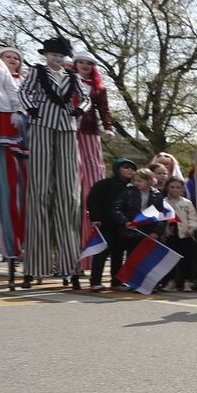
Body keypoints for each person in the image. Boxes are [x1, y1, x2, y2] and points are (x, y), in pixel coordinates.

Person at [18, 37, 87, 286]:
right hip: (42, 125)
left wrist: (80, 109)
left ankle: (71, 267)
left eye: (61, 56)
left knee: (69, 197)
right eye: (53, 55)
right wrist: (31, 109)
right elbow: (23, 92)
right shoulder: (37, 72)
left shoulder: (72, 77)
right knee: (39, 193)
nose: (57, 59)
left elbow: (85, 98)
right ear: (46, 55)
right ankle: (34, 267)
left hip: (67, 128)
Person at [71, 50, 115, 275]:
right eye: (81, 62)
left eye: (89, 63)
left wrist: (107, 128)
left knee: (91, 185)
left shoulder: (98, 88)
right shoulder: (64, 81)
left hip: (87, 134)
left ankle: (88, 257)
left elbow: (103, 110)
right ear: (75, 63)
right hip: (66, 132)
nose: (85, 66)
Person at [0, 39, 27, 273]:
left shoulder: (0, 68)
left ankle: (11, 247)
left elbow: (11, 89)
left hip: (0, 120)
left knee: (6, 186)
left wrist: (17, 110)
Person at [84, 158, 137, 291]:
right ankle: (95, 281)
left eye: (132, 168)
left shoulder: (133, 187)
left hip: (123, 225)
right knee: (102, 252)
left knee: (118, 253)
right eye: (126, 167)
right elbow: (93, 200)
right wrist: (95, 218)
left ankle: (117, 281)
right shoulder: (104, 184)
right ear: (117, 169)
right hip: (106, 223)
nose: (130, 170)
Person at [162, 176, 197, 291]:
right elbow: (160, 218)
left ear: (182, 189)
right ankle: (171, 281)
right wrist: (163, 230)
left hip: (184, 235)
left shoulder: (186, 203)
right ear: (168, 187)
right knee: (170, 259)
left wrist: (192, 228)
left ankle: (187, 282)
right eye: (172, 187)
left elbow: (193, 218)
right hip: (170, 235)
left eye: (178, 187)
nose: (175, 190)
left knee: (186, 259)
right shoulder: (163, 202)